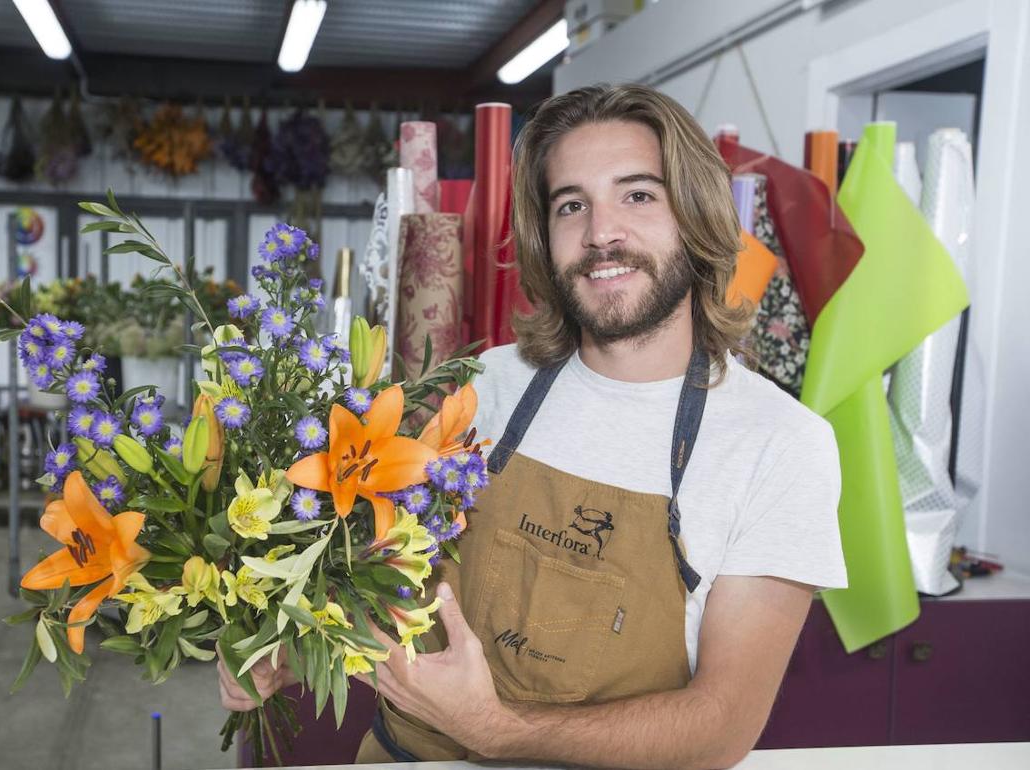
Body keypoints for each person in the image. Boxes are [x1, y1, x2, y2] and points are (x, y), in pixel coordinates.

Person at [218, 83, 846, 769]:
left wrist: (499, 731)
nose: (602, 232)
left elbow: (720, 726)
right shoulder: (487, 385)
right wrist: (284, 638)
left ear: (696, 216)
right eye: (571, 204)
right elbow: (382, 577)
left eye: (637, 195)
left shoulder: (780, 444)